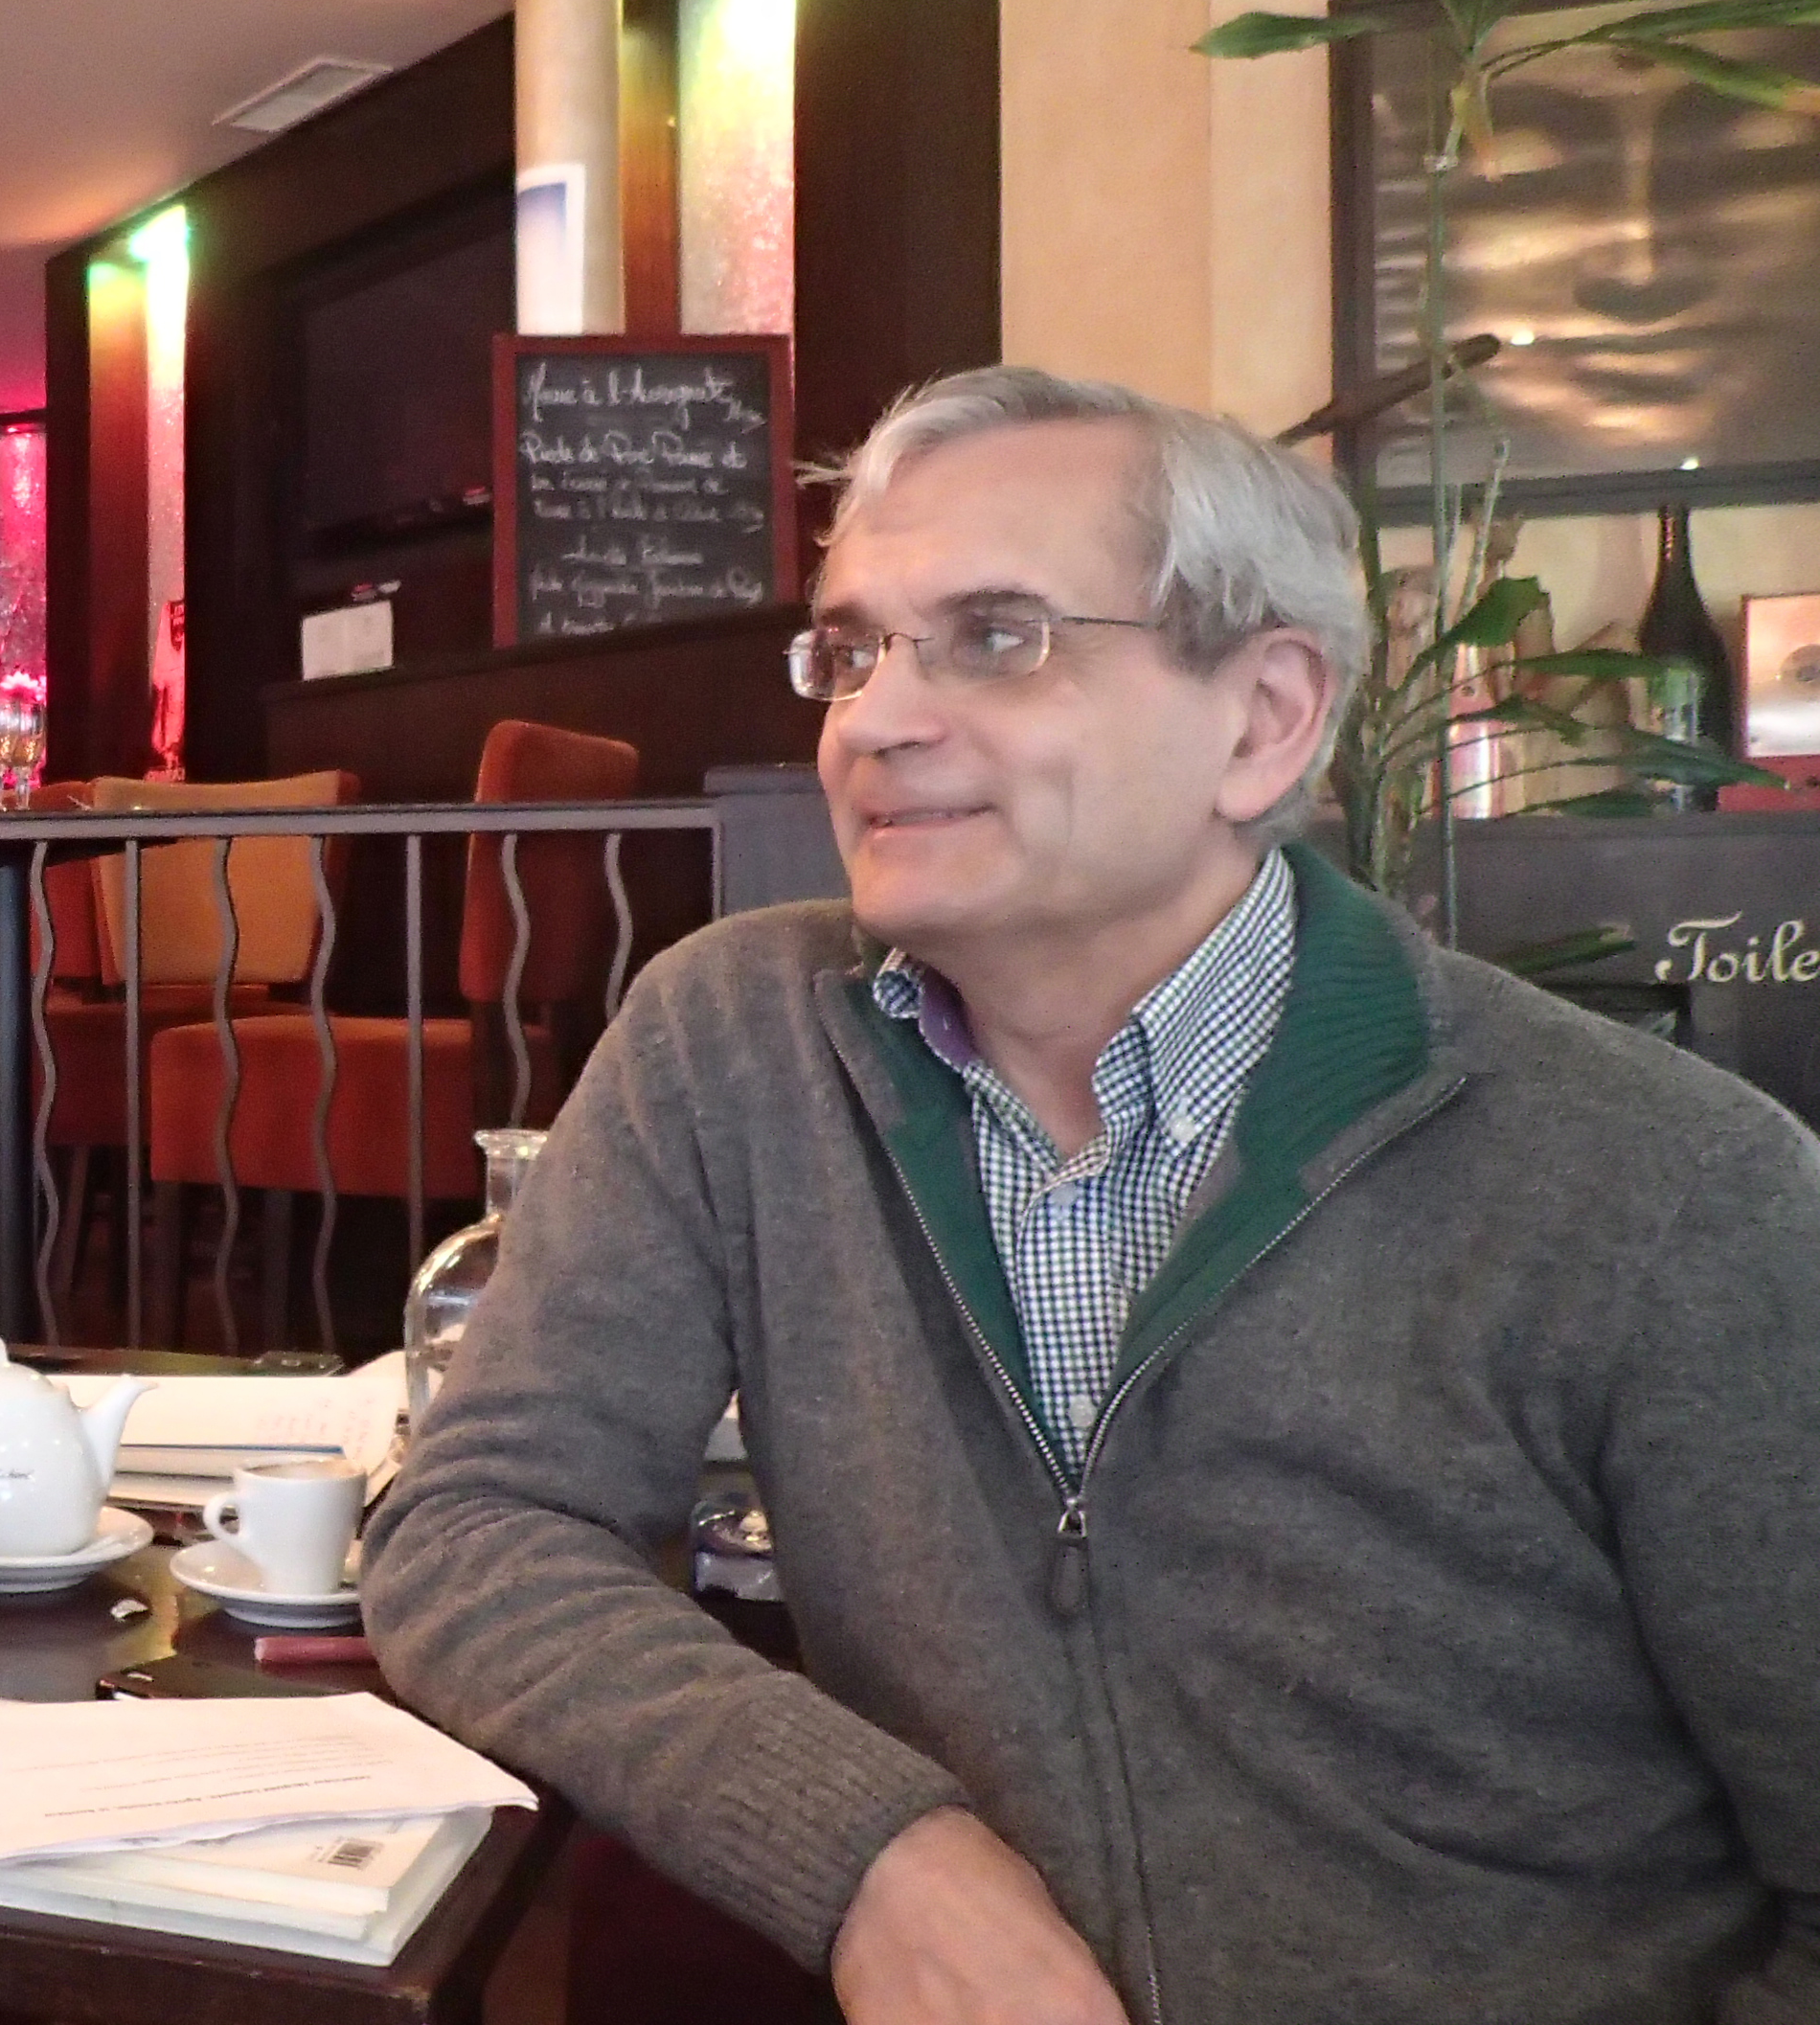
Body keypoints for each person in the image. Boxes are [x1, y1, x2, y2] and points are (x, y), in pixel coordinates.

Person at [367, 366, 1820, 2025]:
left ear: (1262, 718)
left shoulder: (1668, 1196)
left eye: (995, 636)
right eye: (850, 650)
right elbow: (478, 1524)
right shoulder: (734, 1044)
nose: (873, 721)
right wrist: (873, 1854)